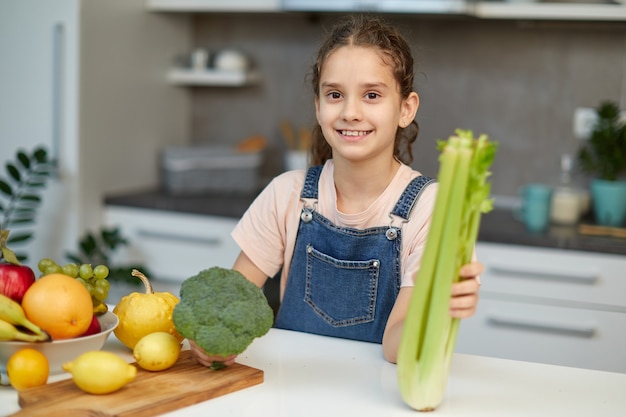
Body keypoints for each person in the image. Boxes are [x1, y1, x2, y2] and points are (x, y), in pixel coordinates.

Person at [189, 15, 483, 366]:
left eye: (372, 95)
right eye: (334, 94)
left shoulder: (431, 209)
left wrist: (435, 311)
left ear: (406, 108)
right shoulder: (287, 193)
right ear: (318, 106)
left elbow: (395, 346)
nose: (350, 112)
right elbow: (231, 303)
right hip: (290, 386)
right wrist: (214, 338)